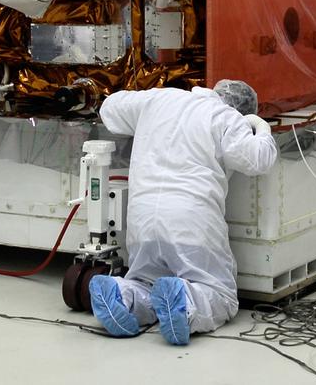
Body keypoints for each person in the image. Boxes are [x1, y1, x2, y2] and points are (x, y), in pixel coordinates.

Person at [87, 79, 278, 345]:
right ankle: (185, 300)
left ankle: (122, 294)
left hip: (142, 219)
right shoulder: (226, 117)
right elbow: (258, 159)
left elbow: (109, 108)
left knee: (145, 281)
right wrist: (260, 127)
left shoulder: (158, 99)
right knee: (220, 294)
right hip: (191, 222)